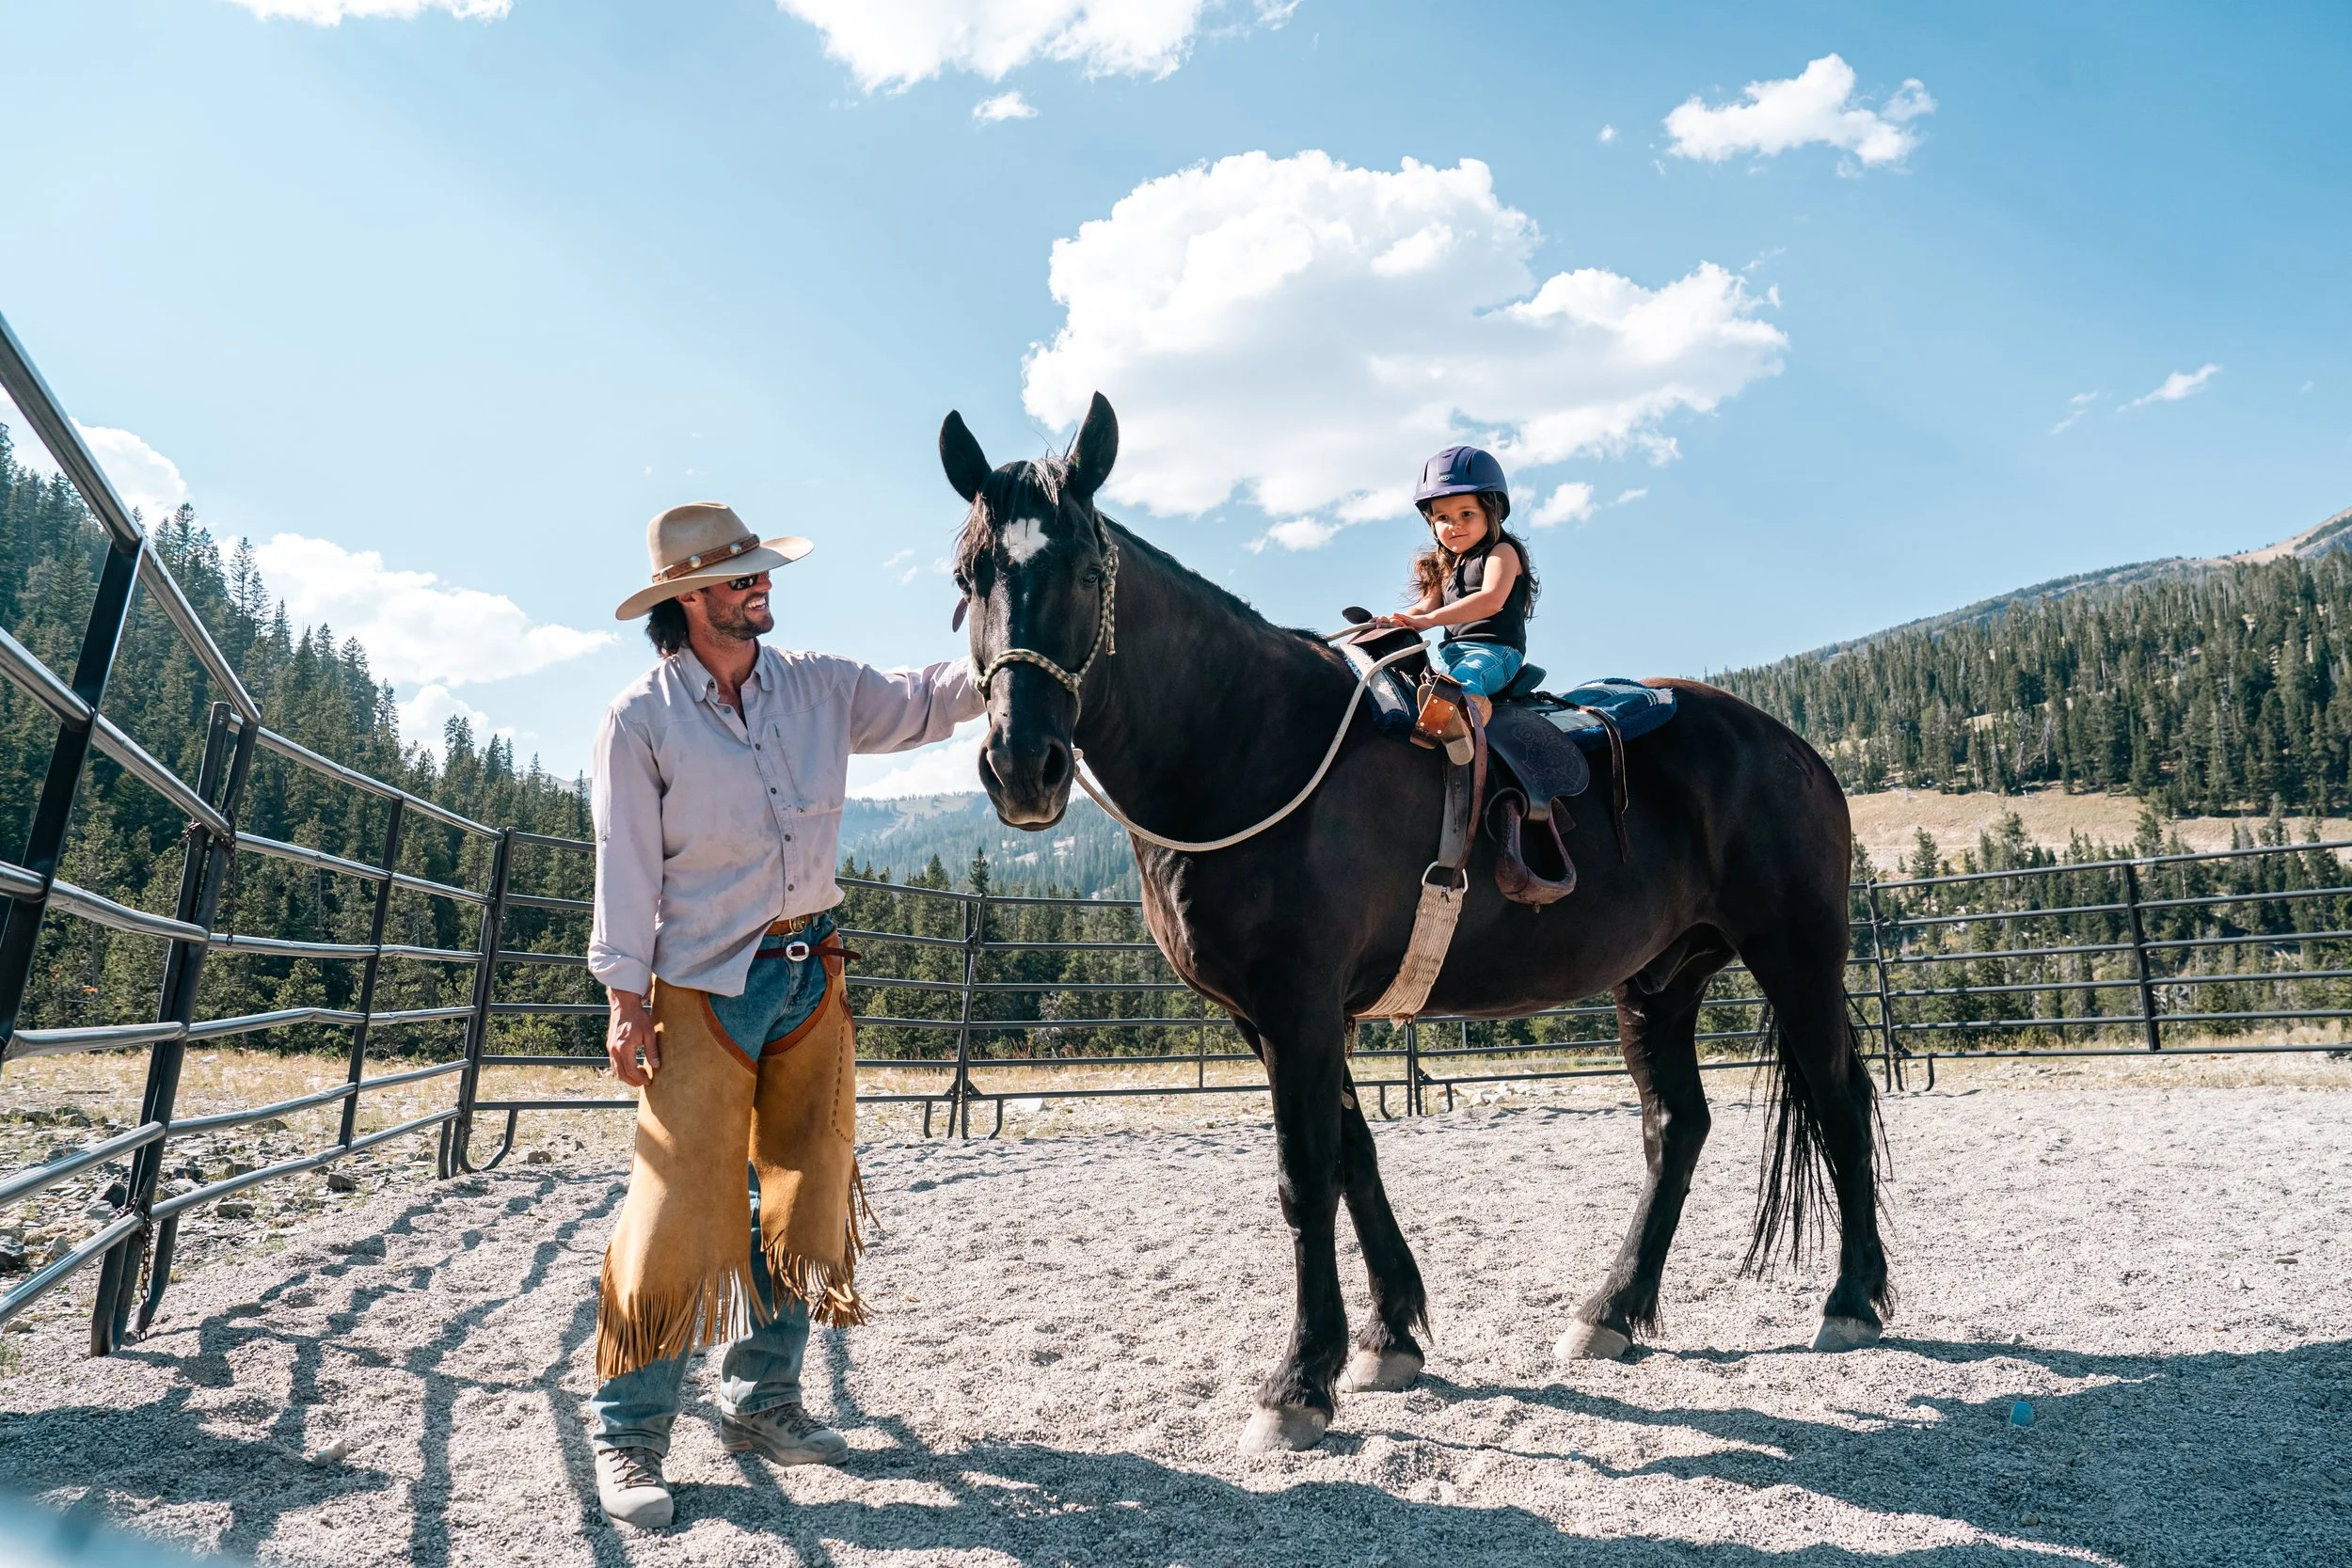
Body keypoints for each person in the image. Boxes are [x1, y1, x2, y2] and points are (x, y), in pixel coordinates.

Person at [586, 501, 981, 1528]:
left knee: (804, 1196)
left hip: (813, 971)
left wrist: (1016, 647)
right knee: (673, 1209)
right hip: (699, 986)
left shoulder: (817, 683)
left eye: (760, 574)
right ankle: (625, 1433)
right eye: (737, 579)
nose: (760, 588)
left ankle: (763, 1401)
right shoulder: (641, 718)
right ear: (685, 599)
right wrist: (625, 1000)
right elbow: (625, 867)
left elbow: (924, 698)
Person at [1372, 446, 1540, 754]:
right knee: (1415, 685)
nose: (1455, 525)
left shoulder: (1502, 553)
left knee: (1461, 682)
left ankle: (1463, 730)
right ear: (1432, 523)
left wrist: (1429, 621)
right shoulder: (1443, 566)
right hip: (1451, 654)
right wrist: (1397, 622)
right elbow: (1424, 608)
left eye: (1467, 514)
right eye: (1443, 517)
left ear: (1492, 512)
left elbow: (1490, 600)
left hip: (1495, 653)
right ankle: (1423, 738)